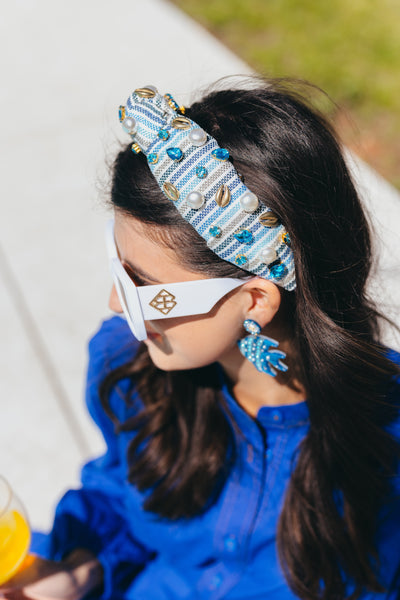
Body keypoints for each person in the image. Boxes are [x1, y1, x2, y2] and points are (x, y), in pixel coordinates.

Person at [2, 77, 400, 600]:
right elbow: (121, 494)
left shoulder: (385, 432)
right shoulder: (130, 365)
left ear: (255, 300)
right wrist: (83, 569)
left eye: (142, 286)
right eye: (118, 270)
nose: (116, 304)